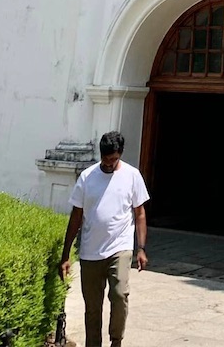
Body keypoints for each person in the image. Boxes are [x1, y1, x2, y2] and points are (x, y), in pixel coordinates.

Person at [59, 130, 149, 347]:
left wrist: (141, 248)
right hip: (91, 251)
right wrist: (65, 255)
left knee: (119, 295)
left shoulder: (132, 175)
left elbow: (140, 213)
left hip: (120, 248)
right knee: (92, 307)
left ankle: (116, 340)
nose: (109, 164)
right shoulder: (87, 177)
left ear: (121, 154)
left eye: (114, 159)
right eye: (106, 159)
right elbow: (76, 217)